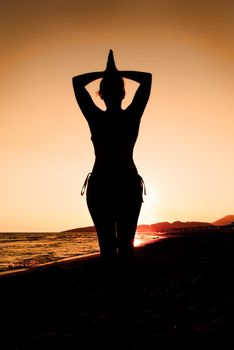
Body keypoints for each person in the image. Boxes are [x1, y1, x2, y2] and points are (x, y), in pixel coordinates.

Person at [72, 50, 152, 322]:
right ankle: (121, 301)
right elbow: (147, 79)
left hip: (106, 184)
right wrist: (116, 75)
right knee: (124, 246)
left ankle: (116, 302)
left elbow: (76, 82)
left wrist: (106, 75)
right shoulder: (132, 115)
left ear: (102, 94)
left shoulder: (96, 116)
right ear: (121, 93)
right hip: (124, 184)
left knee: (109, 246)